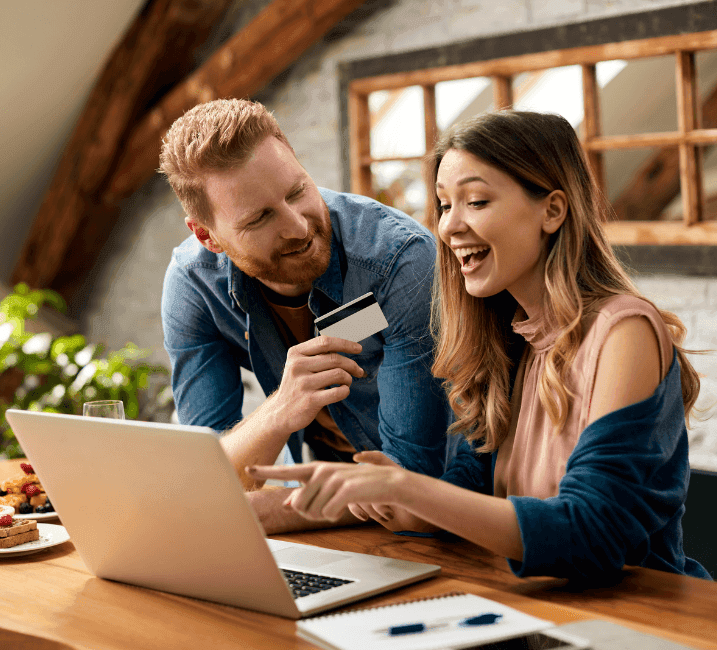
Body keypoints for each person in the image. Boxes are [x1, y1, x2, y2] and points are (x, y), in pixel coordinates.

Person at [250, 110, 712, 580]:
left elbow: (592, 531)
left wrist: (408, 489)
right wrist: (385, 499)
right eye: (445, 205)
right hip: (538, 606)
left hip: (642, 621)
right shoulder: (510, 341)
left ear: (552, 210)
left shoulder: (623, 331)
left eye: (476, 201)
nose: (449, 227)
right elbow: (471, 490)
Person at [159, 98, 452, 534]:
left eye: (297, 191)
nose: (297, 227)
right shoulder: (194, 284)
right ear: (207, 236)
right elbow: (211, 470)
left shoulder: (398, 261)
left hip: (444, 524)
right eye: (260, 218)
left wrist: (261, 512)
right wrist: (280, 410)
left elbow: (410, 481)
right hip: (333, 525)